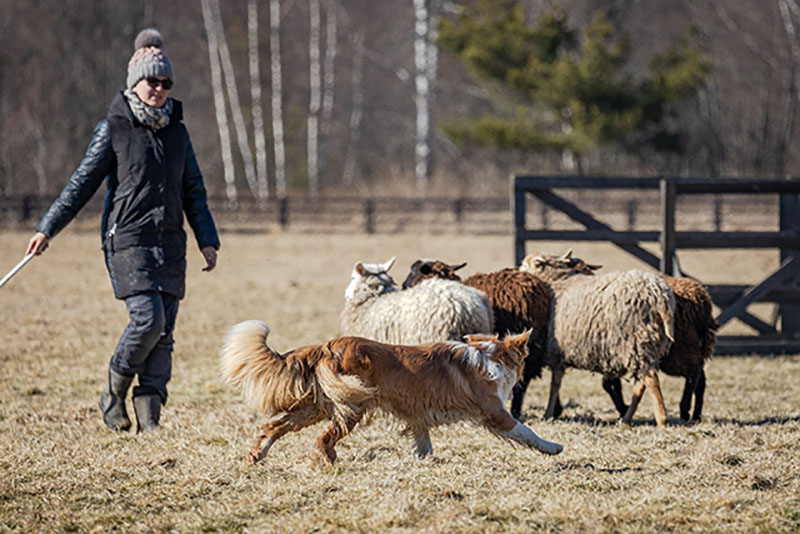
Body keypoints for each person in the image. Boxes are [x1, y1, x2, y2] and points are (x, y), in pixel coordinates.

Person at [26, 28, 220, 433]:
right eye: (154, 81)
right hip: (128, 240)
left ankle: (150, 420)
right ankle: (113, 392)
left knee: (164, 333)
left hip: (170, 243)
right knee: (147, 321)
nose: (161, 89)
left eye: (167, 83)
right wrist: (48, 228)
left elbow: (193, 190)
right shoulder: (113, 129)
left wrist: (207, 239)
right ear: (136, 82)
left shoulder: (178, 133)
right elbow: (80, 185)